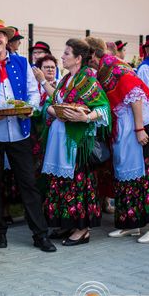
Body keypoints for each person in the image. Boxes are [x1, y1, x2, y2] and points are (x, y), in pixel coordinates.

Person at [0, 19, 55, 252]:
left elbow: (32, 92)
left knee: (28, 184)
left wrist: (30, 108)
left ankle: (40, 234)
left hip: (20, 132)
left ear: (7, 39)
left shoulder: (21, 62)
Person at [86, 36, 149, 244]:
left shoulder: (114, 66)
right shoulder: (102, 70)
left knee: (145, 172)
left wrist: (139, 128)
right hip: (124, 124)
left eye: (87, 57)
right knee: (124, 172)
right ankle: (131, 223)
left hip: (140, 122)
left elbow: (135, 94)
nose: (87, 62)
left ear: (94, 54)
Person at [35, 38, 111, 246]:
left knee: (78, 183)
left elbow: (103, 108)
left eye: (67, 53)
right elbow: (53, 102)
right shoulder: (66, 79)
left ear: (78, 58)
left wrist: (84, 118)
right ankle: (68, 223)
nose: (62, 56)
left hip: (77, 142)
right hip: (60, 139)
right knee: (62, 183)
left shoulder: (89, 81)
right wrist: (52, 110)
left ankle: (82, 229)